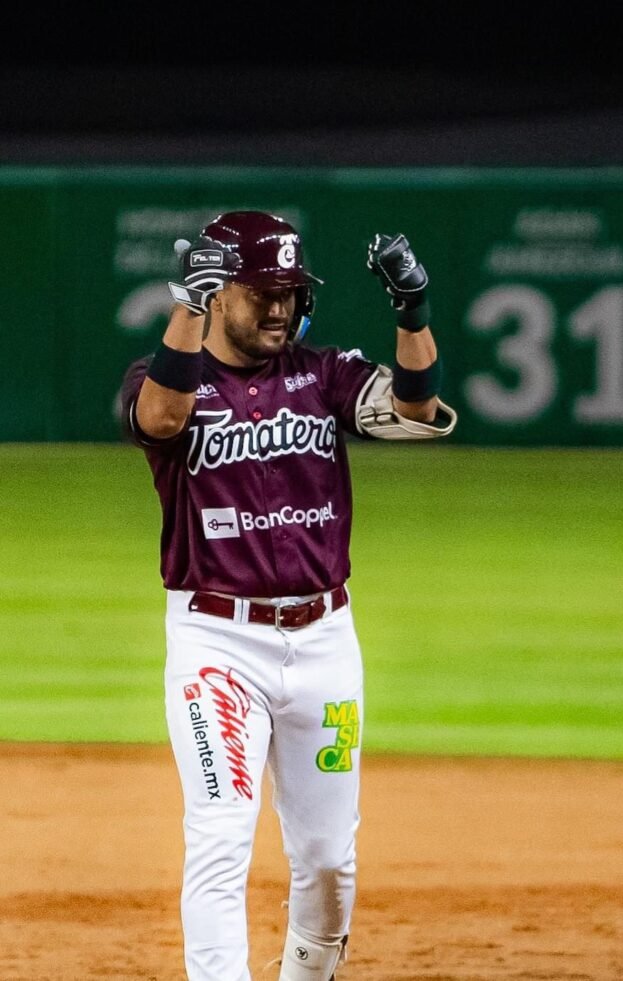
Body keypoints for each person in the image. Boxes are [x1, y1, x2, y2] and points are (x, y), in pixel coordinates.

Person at [119, 211, 457, 981]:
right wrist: (187, 305)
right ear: (219, 292)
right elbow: (160, 419)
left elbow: (413, 406)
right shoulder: (167, 376)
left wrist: (413, 308)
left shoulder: (322, 373)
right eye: (263, 292)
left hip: (325, 643)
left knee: (329, 860)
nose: (280, 308)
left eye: (291, 292)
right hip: (216, 642)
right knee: (220, 832)